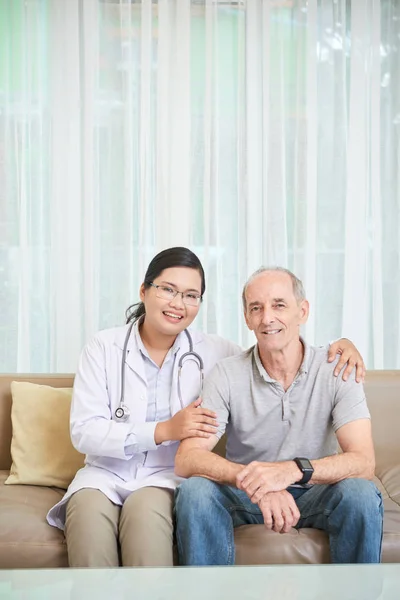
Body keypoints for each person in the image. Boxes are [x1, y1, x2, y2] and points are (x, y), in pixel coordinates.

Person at [46, 249, 365, 567]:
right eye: (167, 289)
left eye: (190, 295)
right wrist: (164, 430)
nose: (177, 303)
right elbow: (84, 431)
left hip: (160, 479)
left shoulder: (216, 352)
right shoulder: (103, 347)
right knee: (88, 531)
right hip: (103, 474)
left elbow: (271, 353)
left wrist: (345, 345)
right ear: (144, 291)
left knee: (145, 528)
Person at [174, 266, 383, 565]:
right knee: (195, 492)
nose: (267, 317)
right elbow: (188, 457)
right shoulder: (227, 373)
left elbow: (363, 461)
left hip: (316, 492)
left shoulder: (338, 368)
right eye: (256, 308)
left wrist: (293, 470)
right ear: (247, 318)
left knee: (360, 494)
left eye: (279, 305)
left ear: (303, 311)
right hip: (246, 495)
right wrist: (258, 485)